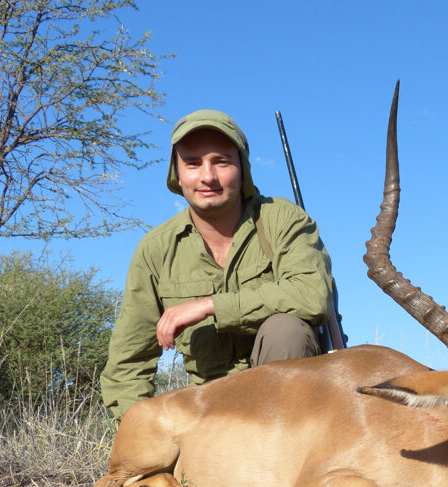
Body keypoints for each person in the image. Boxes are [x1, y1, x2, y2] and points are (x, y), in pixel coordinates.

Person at [100, 109, 333, 418]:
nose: (207, 176)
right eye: (192, 163)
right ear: (177, 174)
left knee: (285, 331)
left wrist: (210, 305)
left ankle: (284, 455)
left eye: (221, 161)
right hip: (209, 414)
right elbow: (127, 365)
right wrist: (137, 434)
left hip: (286, 410)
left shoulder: (283, 219)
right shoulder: (155, 249)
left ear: (242, 169)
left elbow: (312, 296)